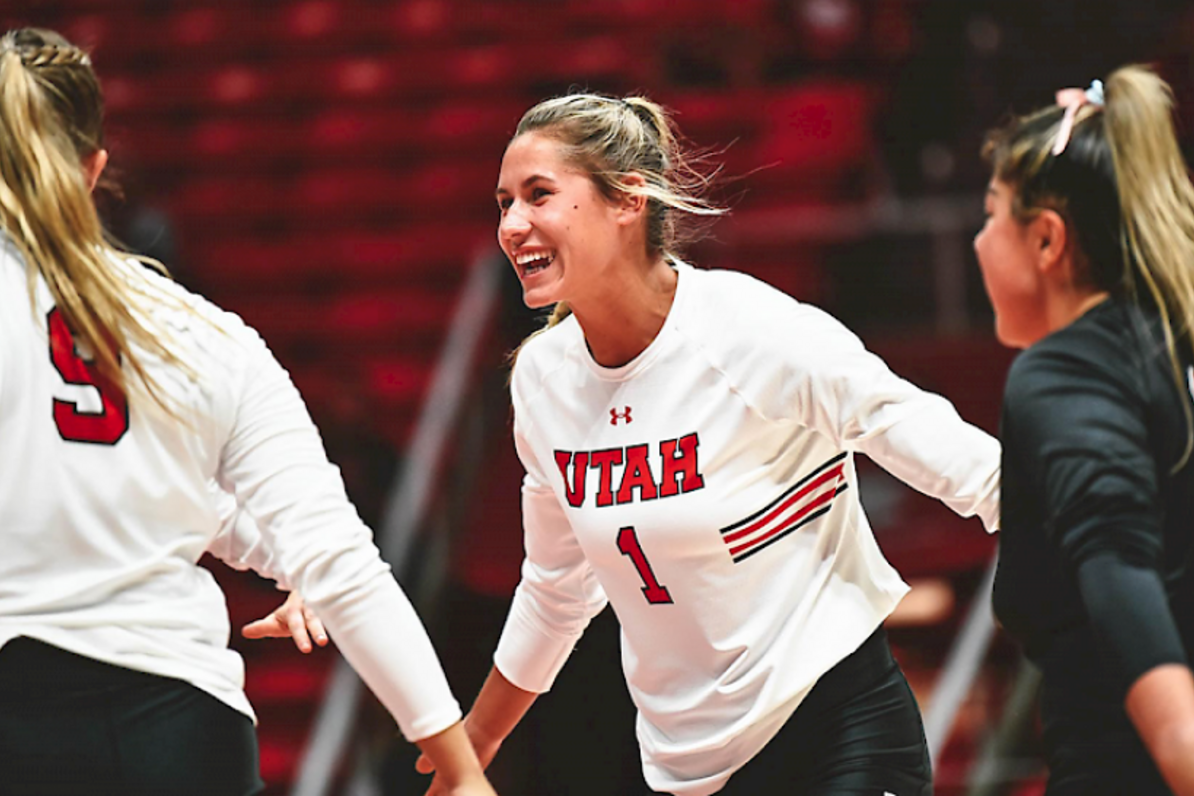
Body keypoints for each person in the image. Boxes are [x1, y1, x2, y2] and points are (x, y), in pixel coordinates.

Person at [417, 91, 1002, 796]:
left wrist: (1083, 539)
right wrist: (476, 741)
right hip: (688, 766)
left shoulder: (747, 329)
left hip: (837, 729)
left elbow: (916, 430)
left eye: (538, 195)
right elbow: (556, 588)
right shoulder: (543, 379)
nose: (512, 225)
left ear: (628, 199)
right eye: (504, 203)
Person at [0, 27, 495, 796]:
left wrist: (291, 558)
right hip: (183, 730)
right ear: (95, 168)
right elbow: (342, 561)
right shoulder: (207, 332)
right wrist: (460, 769)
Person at [976, 65, 1194, 795]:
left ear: (1046, 240)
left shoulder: (1064, 374)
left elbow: (1121, 572)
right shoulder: (1173, 341)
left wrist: (1183, 747)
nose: (978, 242)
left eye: (991, 215)